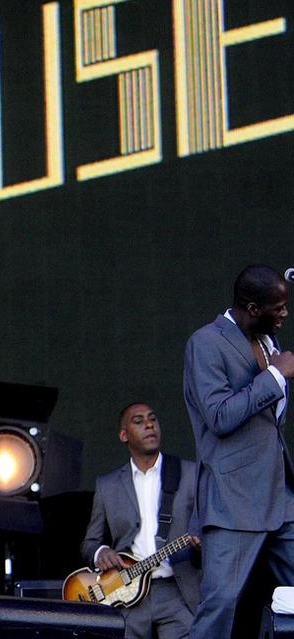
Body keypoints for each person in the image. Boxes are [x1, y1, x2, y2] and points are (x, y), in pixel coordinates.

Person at [184, 264, 294, 638]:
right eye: (277, 308)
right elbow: (219, 415)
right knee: (220, 606)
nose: (284, 314)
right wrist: (276, 376)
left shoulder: (268, 342)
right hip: (235, 499)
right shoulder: (206, 342)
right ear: (251, 307)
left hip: (281, 493)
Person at [81, 402, 200, 638]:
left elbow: (211, 525)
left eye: (152, 419)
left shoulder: (191, 474)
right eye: (139, 421)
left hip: (176, 591)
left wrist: (203, 540)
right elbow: (90, 543)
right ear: (124, 435)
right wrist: (100, 552)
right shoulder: (108, 485)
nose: (149, 424)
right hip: (125, 596)